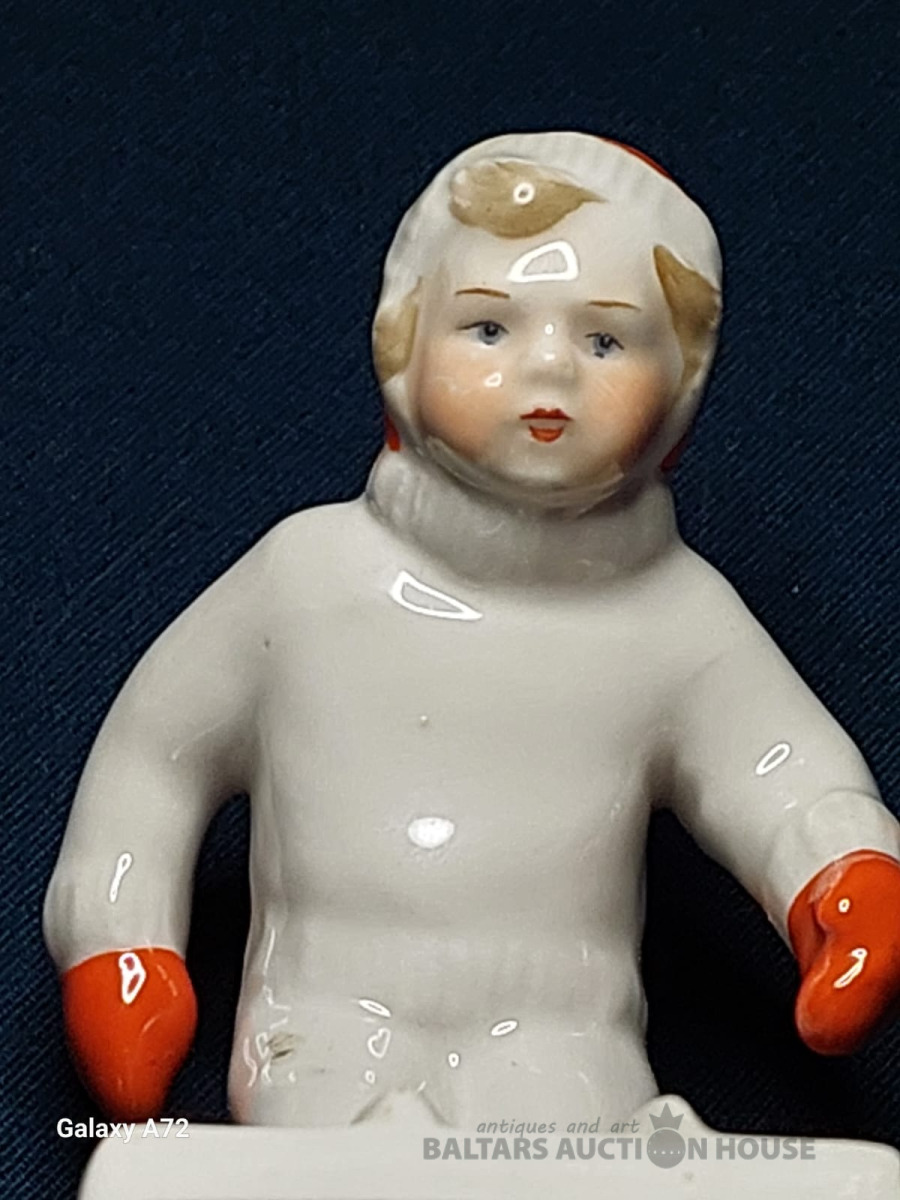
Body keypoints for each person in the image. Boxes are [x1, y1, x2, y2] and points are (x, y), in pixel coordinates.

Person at [45, 131, 900, 1129]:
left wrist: (847, 883)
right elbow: (153, 759)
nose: (550, 368)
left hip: (567, 1028)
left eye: (606, 341)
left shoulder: (678, 621)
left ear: (682, 387)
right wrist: (120, 947)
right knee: (332, 1158)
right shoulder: (304, 581)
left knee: (571, 1148)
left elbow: (783, 774)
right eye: (489, 328)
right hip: (329, 1014)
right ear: (402, 346)